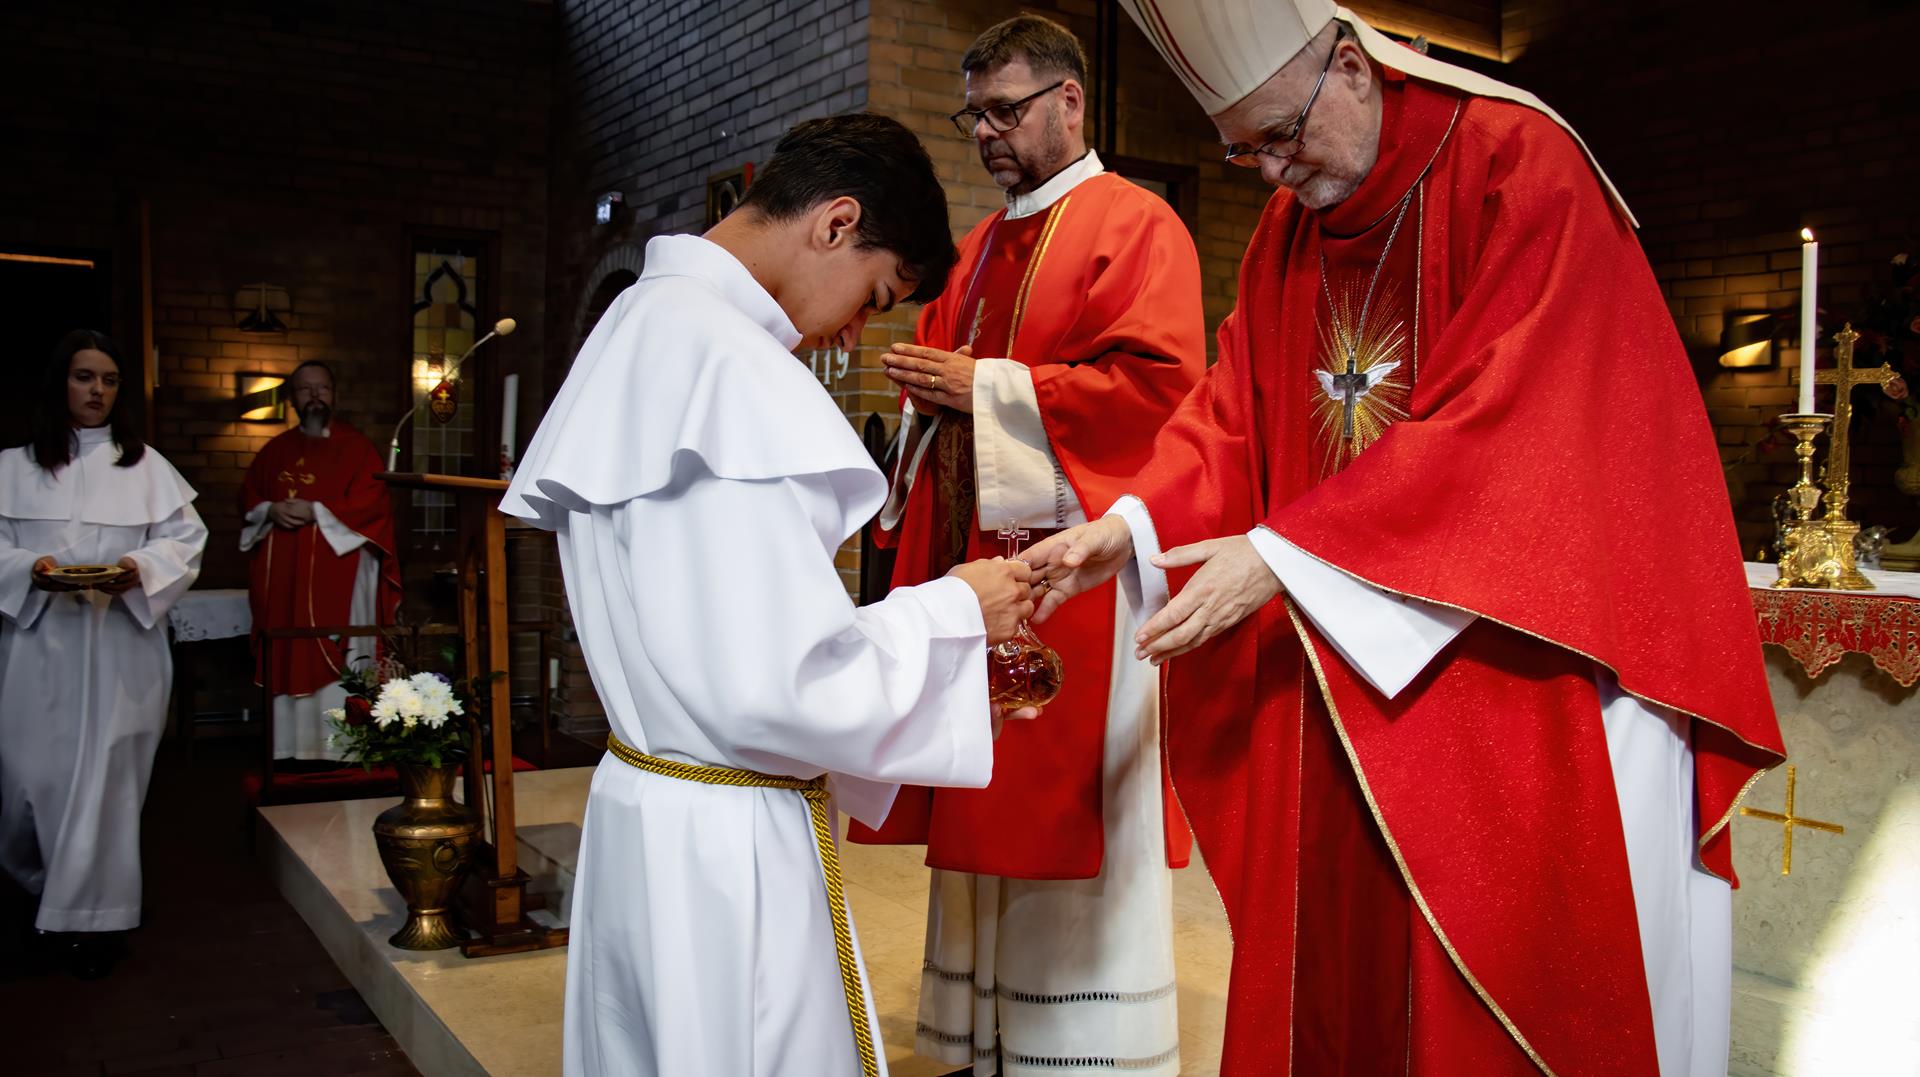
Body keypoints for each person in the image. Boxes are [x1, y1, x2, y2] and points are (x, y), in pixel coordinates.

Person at [1025, 3, 1786, 1075]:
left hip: (1525, 660)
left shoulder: (1520, 164)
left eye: (1280, 134)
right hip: (1344, 671)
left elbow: (1524, 418)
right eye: (1243, 147)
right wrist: (1131, 524)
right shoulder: (1295, 225)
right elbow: (1235, 407)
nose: (1270, 172)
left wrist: (1288, 556)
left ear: (1350, 64)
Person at [502, 113, 1042, 1077]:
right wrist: (960, 607)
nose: (854, 327)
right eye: (877, 295)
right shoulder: (735, 373)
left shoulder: (635, 323)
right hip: (729, 849)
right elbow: (787, 686)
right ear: (837, 222)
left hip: (641, 808)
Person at [846, 15, 1205, 1076]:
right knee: (982, 806)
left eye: (1005, 110)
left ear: (1070, 102)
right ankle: (984, 1036)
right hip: (986, 584)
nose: (987, 135)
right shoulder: (984, 247)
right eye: (975, 116)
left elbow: (1161, 395)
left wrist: (986, 388)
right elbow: (951, 391)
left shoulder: (1137, 226)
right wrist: (930, 404)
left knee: (1064, 818)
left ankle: (1084, 1049)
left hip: (1081, 580)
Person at [0, 330, 206, 978]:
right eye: (85, 377)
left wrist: (136, 567)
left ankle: (97, 916)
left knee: (111, 781)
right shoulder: (14, 466)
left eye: (109, 380)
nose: (97, 391)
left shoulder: (144, 466)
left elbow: (184, 540)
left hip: (122, 645)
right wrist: (28, 567)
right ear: (60, 382)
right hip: (39, 645)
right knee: (31, 780)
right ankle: (38, 884)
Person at [240, 359, 400, 762]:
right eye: (304, 389)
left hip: (340, 575)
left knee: (340, 650)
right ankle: (289, 747)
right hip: (286, 585)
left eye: (322, 388)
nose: (314, 396)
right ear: (292, 398)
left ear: (334, 395)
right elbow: (249, 500)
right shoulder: (274, 451)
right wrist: (270, 511)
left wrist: (317, 512)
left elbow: (372, 504)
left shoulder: (358, 449)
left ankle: (342, 748)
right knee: (290, 649)